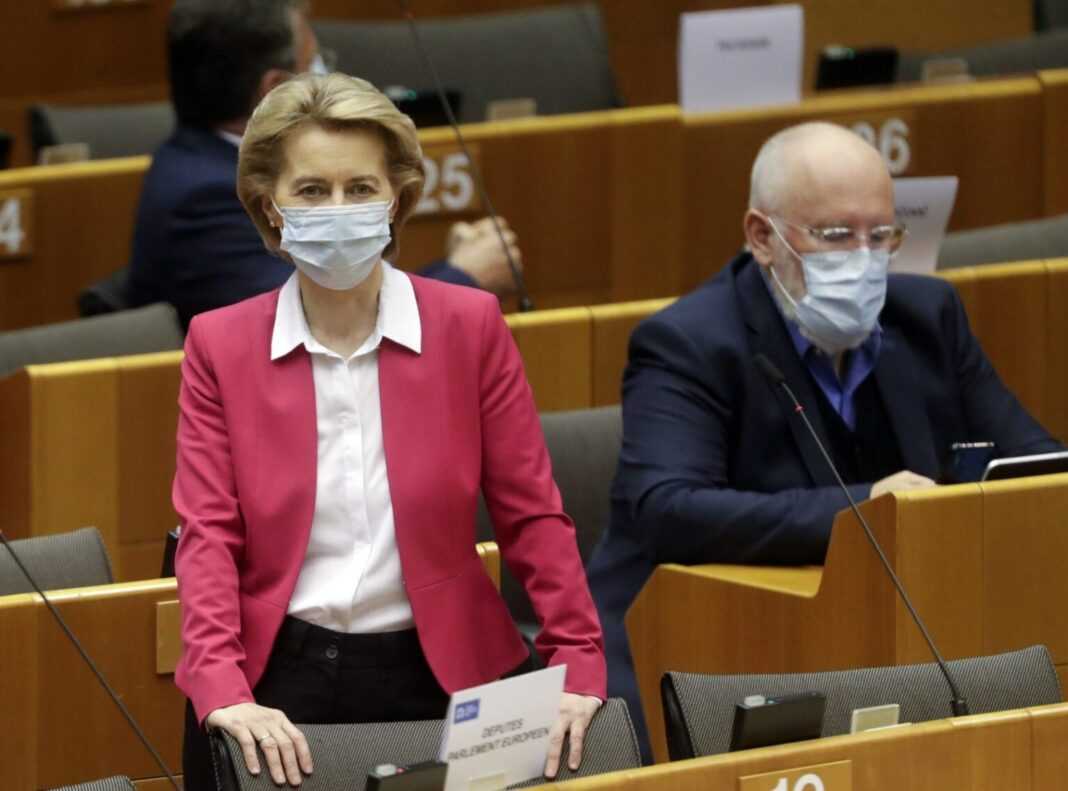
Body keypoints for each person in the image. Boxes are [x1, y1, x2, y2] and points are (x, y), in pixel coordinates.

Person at [173, 72, 605, 790]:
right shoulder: (219, 345)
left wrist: (578, 661)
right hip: (278, 678)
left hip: (448, 673)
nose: (338, 210)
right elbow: (208, 534)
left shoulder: (468, 326)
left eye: (361, 188)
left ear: (396, 199)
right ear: (270, 206)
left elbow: (532, 514)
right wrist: (222, 686)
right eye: (312, 190)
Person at [585, 121, 1062, 761]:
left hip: (883, 630)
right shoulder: (689, 342)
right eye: (836, 236)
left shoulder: (929, 317)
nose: (862, 258)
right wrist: (868, 507)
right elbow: (668, 509)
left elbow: (1035, 468)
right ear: (762, 236)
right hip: (703, 637)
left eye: (881, 235)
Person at [127, 0, 521, 330]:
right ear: (276, 89)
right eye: (316, 62)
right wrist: (464, 277)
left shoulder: (199, 161)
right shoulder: (202, 197)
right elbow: (326, 321)